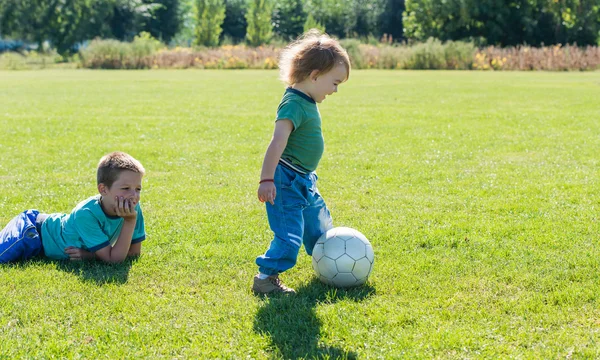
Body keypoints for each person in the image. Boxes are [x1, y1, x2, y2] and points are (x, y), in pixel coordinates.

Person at [253, 30, 351, 294]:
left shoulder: (306, 99)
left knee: (320, 229)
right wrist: (267, 179)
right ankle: (265, 277)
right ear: (315, 75)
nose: (335, 90)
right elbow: (277, 142)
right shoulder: (293, 104)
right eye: (335, 82)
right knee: (289, 237)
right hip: (286, 182)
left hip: (305, 180)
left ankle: (332, 265)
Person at [0, 151, 146, 264]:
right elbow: (113, 259)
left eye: (138, 189)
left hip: (41, 245)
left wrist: (90, 256)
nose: (134, 195)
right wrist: (129, 222)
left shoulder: (133, 208)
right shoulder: (86, 213)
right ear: (103, 189)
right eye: (126, 188)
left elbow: (132, 254)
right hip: (32, 230)